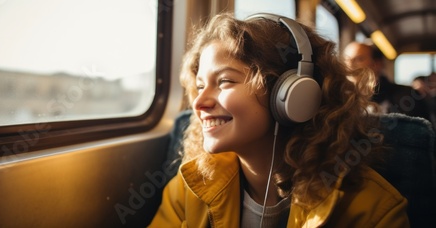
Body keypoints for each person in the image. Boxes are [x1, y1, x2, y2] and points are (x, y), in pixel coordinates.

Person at [149, 13, 409, 227]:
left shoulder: (373, 210)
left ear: (292, 94)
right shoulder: (187, 190)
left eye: (225, 81)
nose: (199, 103)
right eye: (200, 85)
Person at [343, 41, 429, 119]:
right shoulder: (341, 98)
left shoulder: (407, 96)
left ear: (377, 64)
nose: (349, 65)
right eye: (346, 60)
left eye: (359, 59)